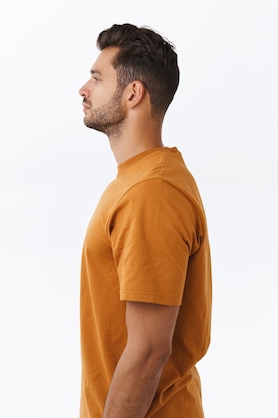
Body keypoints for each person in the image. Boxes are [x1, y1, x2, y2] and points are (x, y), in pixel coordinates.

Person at [78, 24, 212, 417]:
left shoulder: (151, 192)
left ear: (133, 93)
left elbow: (150, 349)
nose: (84, 89)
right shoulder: (139, 181)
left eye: (97, 78)